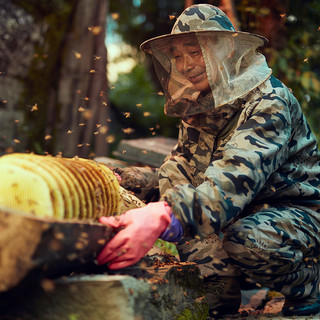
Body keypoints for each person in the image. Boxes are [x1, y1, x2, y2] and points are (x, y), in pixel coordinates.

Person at [97, 4, 320, 317]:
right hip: (231, 214)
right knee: (214, 302)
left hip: (293, 215)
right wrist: (128, 181)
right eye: (177, 55)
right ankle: (226, 281)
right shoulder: (199, 101)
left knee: (248, 241)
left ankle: (309, 283)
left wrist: (164, 216)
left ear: (227, 49)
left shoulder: (269, 103)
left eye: (195, 51)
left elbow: (231, 184)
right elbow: (180, 166)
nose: (186, 65)